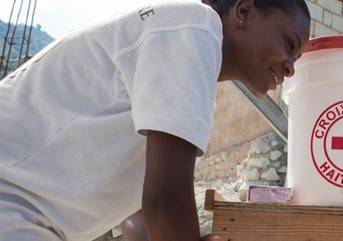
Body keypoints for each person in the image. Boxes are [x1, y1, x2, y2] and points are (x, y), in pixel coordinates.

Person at [0, 0, 310, 240]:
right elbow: (165, 203)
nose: (290, 68)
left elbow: (144, 217)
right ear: (244, 10)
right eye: (289, 44)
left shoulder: (182, 80)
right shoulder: (195, 27)